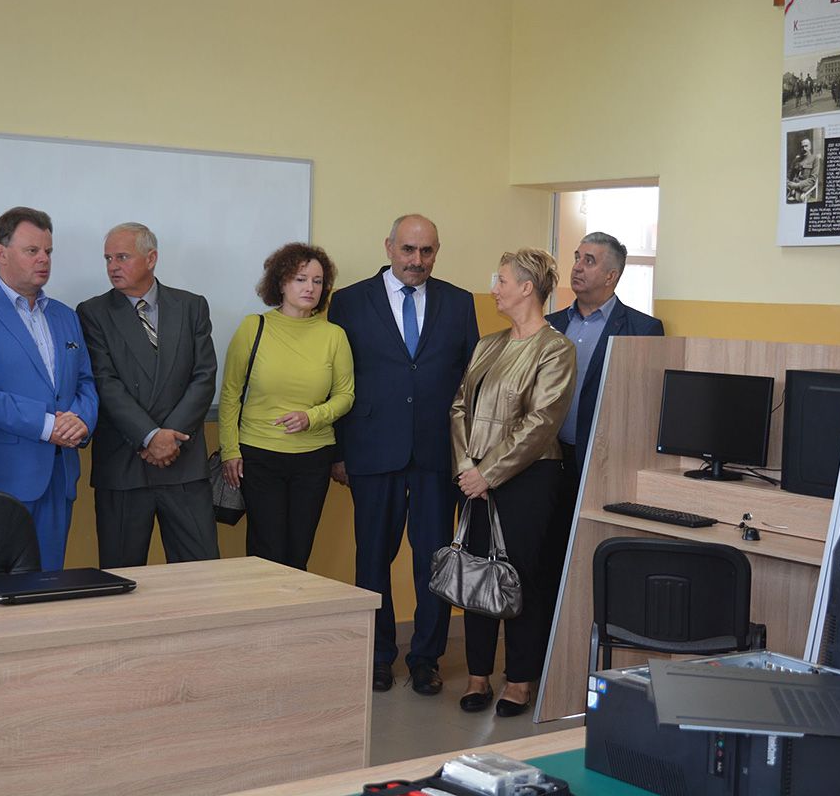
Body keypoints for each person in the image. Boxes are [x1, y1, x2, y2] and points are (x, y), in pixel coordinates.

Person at [328, 214, 479, 696]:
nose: (417, 260)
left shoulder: (459, 302)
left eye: (427, 251)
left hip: (438, 454)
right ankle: (377, 655)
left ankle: (426, 658)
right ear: (389, 247)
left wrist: (469, 455)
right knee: (372, 557)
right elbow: (334, 379)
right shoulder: (349, 301)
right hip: (372, 450)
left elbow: (469, 382)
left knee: (434, 560)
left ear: (437, 252)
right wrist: (338, 452)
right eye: (409, 249)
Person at [452, 249, 576, 717]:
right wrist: (467, 467)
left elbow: (541, 423)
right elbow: (459, 407)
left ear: (527, 288)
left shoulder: (556, 349)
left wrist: (489, 473)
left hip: (529, 478)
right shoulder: (488, 344)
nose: (494, 289)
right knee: (476, 573)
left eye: (501, 280)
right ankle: (478, 675)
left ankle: (520, 679)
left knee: (520, 576)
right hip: (473, 478)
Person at [0, 206, 98, 571]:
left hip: (58, 478)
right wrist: (48, 426)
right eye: (33, 250)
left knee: (47, 585)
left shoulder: (65, 316)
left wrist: (80, 421)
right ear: (1, 253)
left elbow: (86, 382)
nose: (44, 259)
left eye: (48, 251)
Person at [76, 222, 220, 568]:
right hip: (124, 465)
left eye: (122, 257)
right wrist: (150, 436)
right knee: (123, 577)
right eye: (108, 258)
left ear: (151, 258)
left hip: (183, 462)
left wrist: (169, 437)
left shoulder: (191, 306)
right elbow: (105, 382)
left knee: (202, 575)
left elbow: (204, 377)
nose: (113, 266)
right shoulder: (92, 313)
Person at [544, 232, 663, 625]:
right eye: (577, 257)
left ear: (611, 276)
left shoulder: (642, 330)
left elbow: (644, 407)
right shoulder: (550, 325)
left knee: (589, 559)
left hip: (601, 463)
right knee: (545, 559)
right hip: (547, 460)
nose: (577, 267)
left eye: (589, 261)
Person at [218, 243, 354, 570]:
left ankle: (294, 606)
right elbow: (230, 394)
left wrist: (312, 417)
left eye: (318, 281)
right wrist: (230, 450)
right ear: (281, 283)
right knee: (267, 551)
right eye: (300, 279)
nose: (310, 288)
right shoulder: (253, 327)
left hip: (313, 458)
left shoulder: (334, 335)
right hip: (259, 455)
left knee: (298, 551)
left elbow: (345, 395)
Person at [786, 138, 820, 202]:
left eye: (806, 146)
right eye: (802, 147)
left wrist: (797, 185)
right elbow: (789, 175)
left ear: (810, 147)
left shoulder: (815, 159)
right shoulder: (796, 159)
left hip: (804, 189)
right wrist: (787, 182)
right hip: (791, 188)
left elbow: (812, 179)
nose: (804, 148)